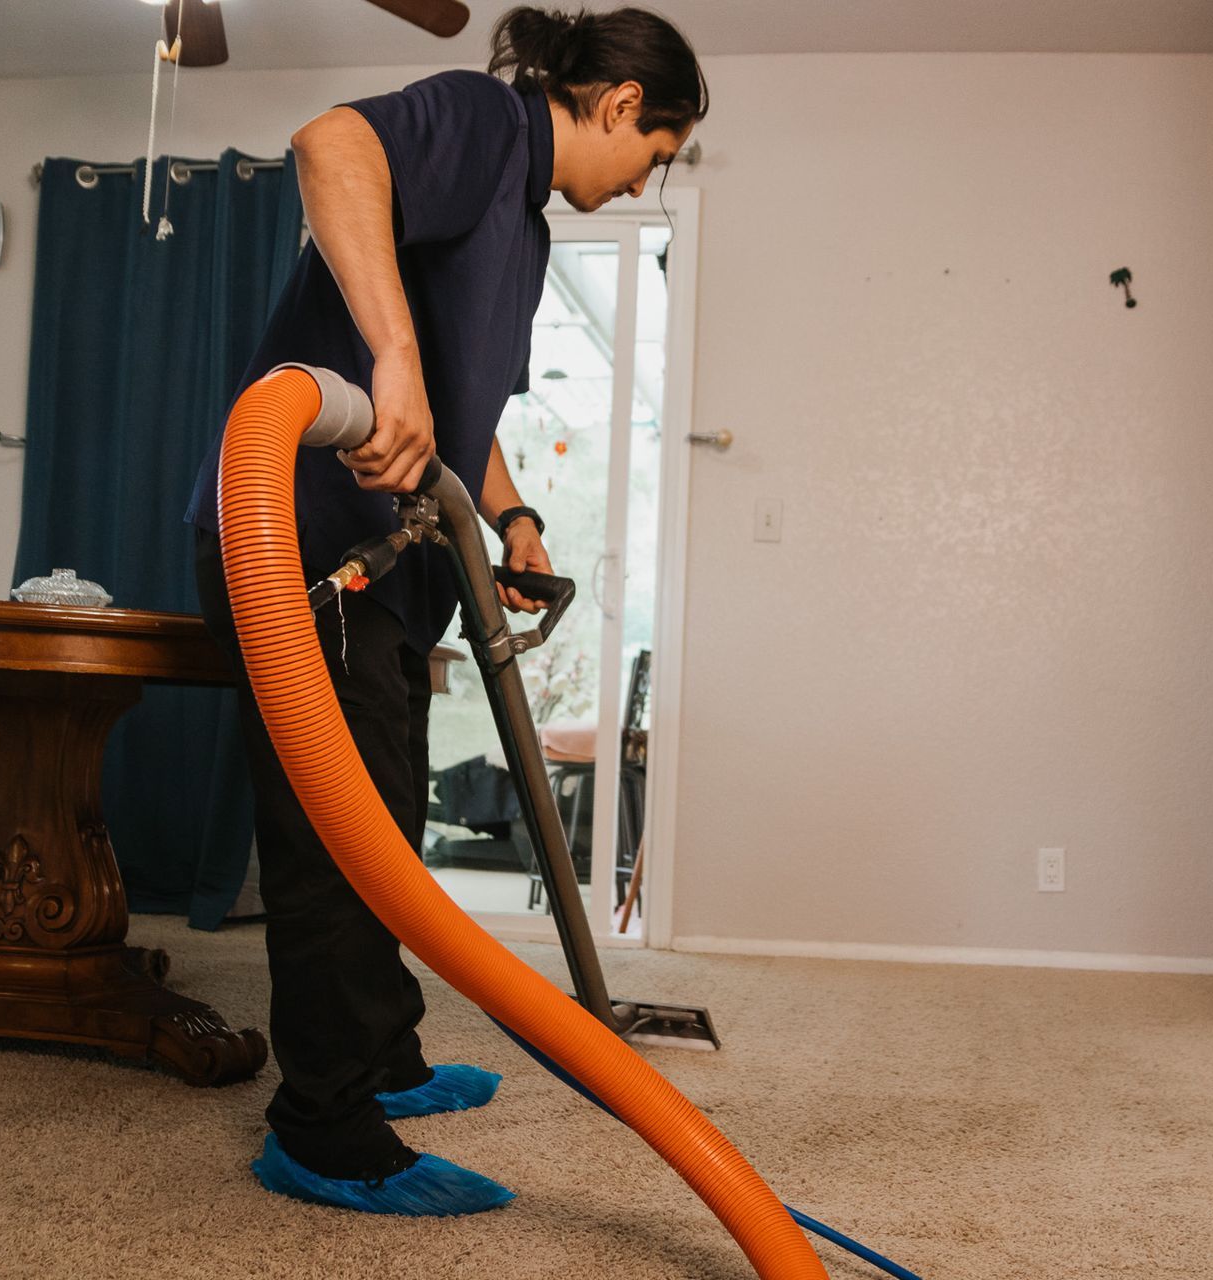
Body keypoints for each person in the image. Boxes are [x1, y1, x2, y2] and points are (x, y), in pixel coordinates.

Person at [183, 5, 707, 1216]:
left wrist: (511, 519)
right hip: (299, 537)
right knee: (335, 837)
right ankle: (326, 1130)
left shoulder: (521, 221)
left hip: (386, 566)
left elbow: (471, 415)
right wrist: (392, 360)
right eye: (656, 154)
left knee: (388, 815)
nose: (645, 182)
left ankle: (384, 1057)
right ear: (622, 102)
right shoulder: (486, 122)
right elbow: (329, 144)